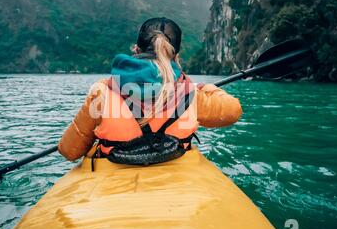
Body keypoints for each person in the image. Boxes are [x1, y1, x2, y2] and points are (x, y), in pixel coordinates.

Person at [58, 17, 242, 165]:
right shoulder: (190, 93)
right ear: (176, 56)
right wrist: (207, 88)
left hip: (113, 183)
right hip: (175, 182)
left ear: (136, 49)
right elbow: (233, 111)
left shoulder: (102, 92)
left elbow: (69, 151)